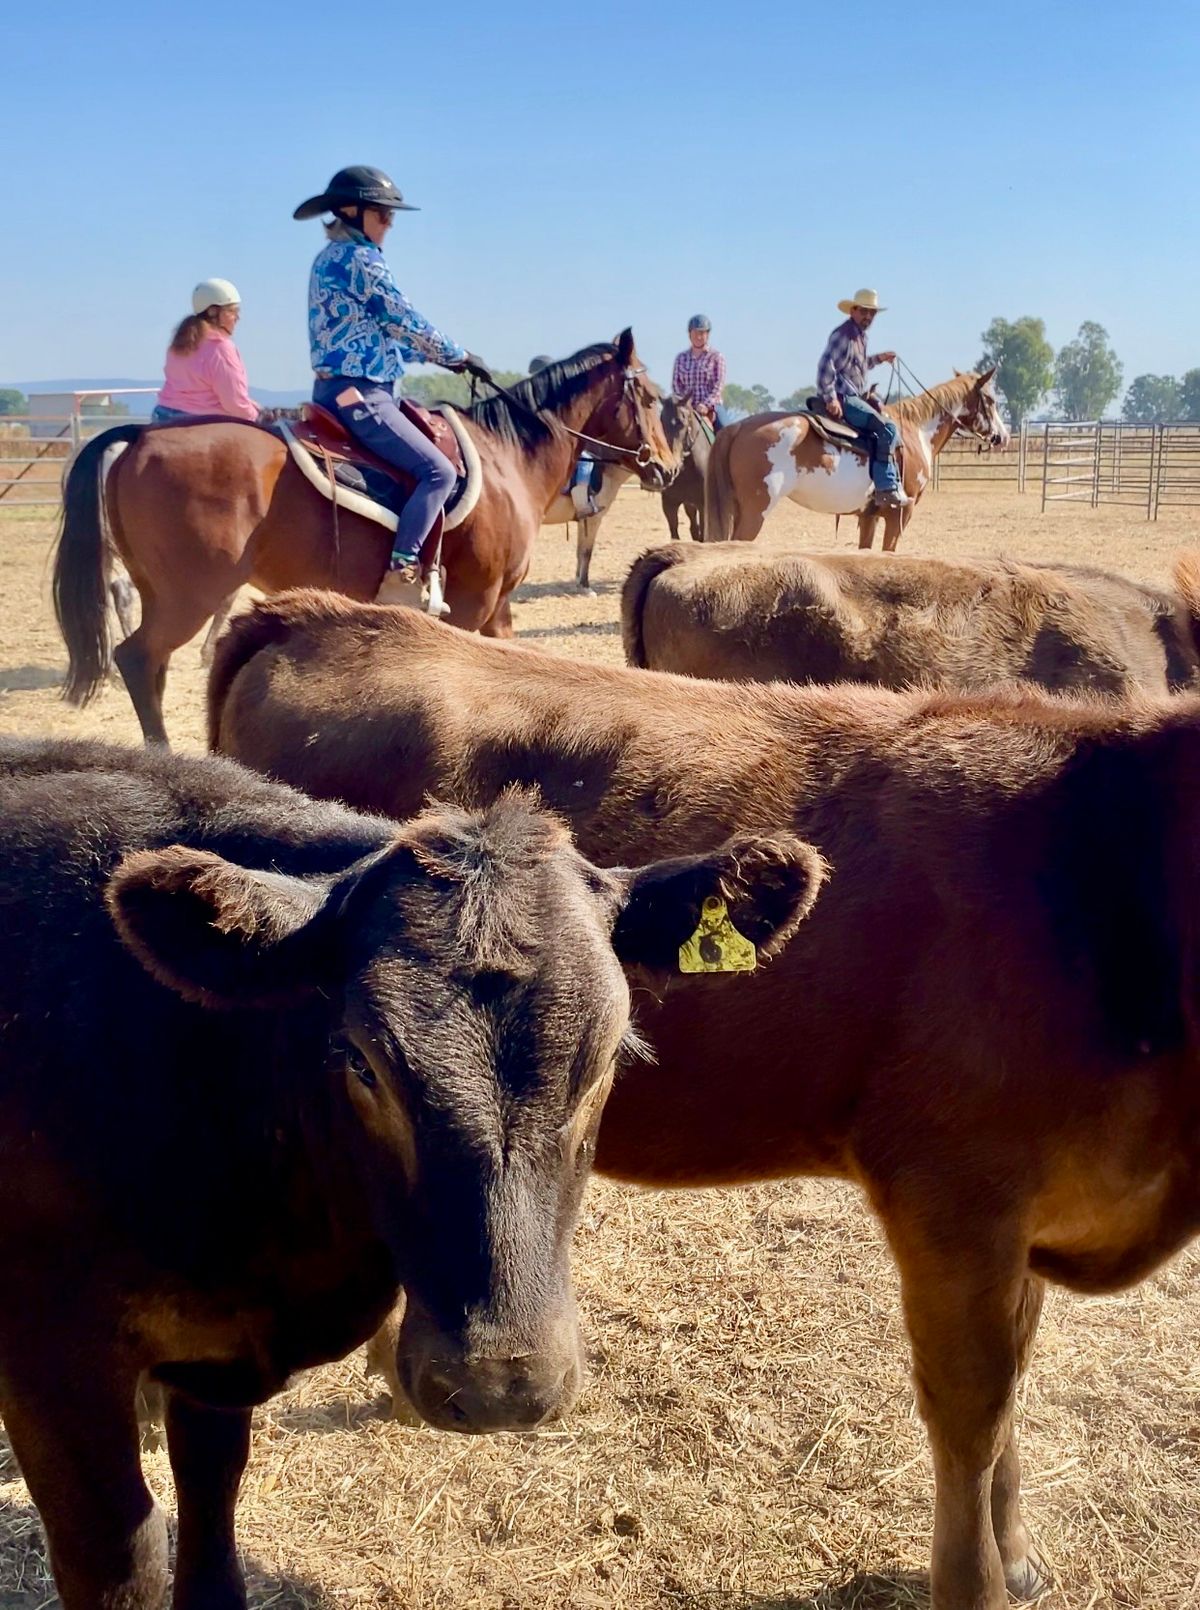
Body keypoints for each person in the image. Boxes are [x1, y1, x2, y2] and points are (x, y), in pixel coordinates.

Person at [294, 165, 491, 581]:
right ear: (351, 211)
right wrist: (458, 356)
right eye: (383, 214)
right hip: (363, 394)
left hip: (337, 389)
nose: (390, 222)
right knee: (438, 472)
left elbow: (386, 336)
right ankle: (403, 571)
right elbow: (403, 319)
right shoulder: (360, 258)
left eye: (391, 215)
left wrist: (439, 358)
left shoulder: (329, 258)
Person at [816, 289, 909, 508]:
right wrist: (831, 399)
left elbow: (857, 366)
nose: (868, 316)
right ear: (854, 310)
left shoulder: (860, 337)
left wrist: (879, 358)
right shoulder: (844, 335)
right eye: (864, 311)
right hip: (846, 398)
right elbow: (825, 366)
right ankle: (885, 487)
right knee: (888, 429)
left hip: (853, 395)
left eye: (872, 313)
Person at [153, 279, 259, 424]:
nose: (237, 318)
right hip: (201, 423)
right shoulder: (221, 348)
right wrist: (256, 416)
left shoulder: (179, 342)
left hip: (162, 415)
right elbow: (234, 403)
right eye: (232, 311)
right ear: (213, 311)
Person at [530, 353, 599, 517]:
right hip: (546, 443)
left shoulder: (531, 394)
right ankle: (581, 504)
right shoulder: (547, 397)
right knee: (585, 460)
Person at [671, 315, 727, 429]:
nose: (698, 336)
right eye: (695, 333)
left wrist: (705, 405)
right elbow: (676, 385)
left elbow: (718, 386)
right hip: (686, 408)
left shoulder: (716, 357)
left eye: (702, 333)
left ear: (707, 334)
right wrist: (684, 404)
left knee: (728, 430)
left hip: (712, 407)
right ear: (689, 334)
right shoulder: (681, 358)